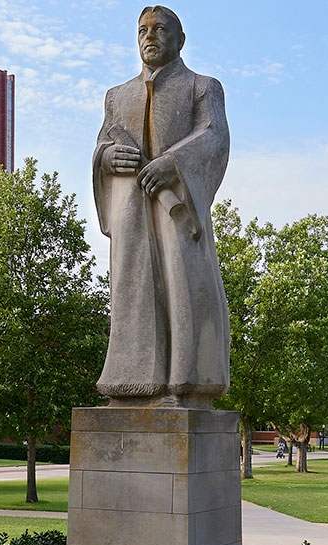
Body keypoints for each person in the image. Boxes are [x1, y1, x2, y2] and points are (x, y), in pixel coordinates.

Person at [93, 5, 232, 408]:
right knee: (132, 291)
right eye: (142, 30)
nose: (149, 37)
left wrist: (174, 163)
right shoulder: (117, 97)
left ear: (180, 40)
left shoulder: (202, 87)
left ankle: (185, 384)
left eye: (160, 29)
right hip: (133, 217)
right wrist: (105, 159)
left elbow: (215, 136)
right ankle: (127, 383)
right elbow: (103, 145)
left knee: (184, 289)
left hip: (177, 211)